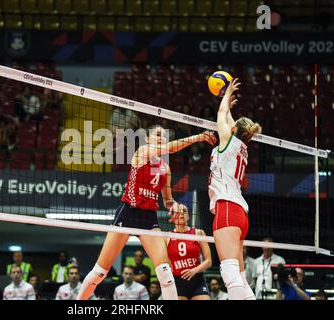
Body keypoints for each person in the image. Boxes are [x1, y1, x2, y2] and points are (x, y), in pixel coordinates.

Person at [77, 125, 216, 300]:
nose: (161, 138)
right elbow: (169, 148)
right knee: (100, 273)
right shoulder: (142, 152)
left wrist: (173, 206)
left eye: (164, 136)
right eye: (157, 134)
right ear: (148, 139)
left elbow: (167, 200)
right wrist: (198, 137)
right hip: (128, 212)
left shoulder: (166, 168)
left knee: (165, 272)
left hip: (149, 217)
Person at [209, 78, 261, 300]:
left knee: (229, 274)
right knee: (238, 275)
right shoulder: (240, 145)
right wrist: (229, 105)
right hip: (239, 214)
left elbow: (221, 117)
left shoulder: (228, 141)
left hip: (228, 209)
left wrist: (225, 98)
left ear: (234, 129)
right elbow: (229, 120)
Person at [166, 205, 211, 300]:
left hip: (197, 279)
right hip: (177, 281)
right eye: (178, 212)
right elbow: (165, 262)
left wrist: (194, 270)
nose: (181, 213)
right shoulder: (167, 237)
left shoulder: (198, 233)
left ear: (189, 216)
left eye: (184, 211)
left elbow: (209, 261)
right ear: (172, 217)